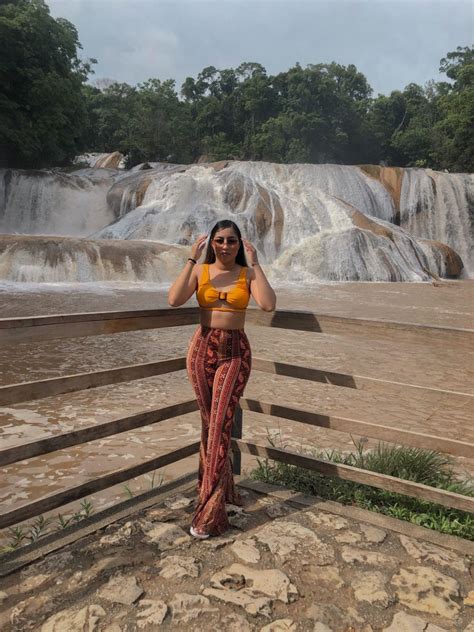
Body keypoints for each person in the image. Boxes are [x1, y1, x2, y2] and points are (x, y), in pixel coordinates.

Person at [168, 219, 276, 538]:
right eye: (219, 240)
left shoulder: (247, 273)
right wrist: (191, 258)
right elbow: (174, 299)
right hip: (202, 349)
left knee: (219, 424)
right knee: (209, 422)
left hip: (234, 352)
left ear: (239, 244)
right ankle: (225, 490)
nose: (225, 246)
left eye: (231, 241)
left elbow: (268, 305)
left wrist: (255, 263)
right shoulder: (200, 271)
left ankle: (210, 511)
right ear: (211, 243)